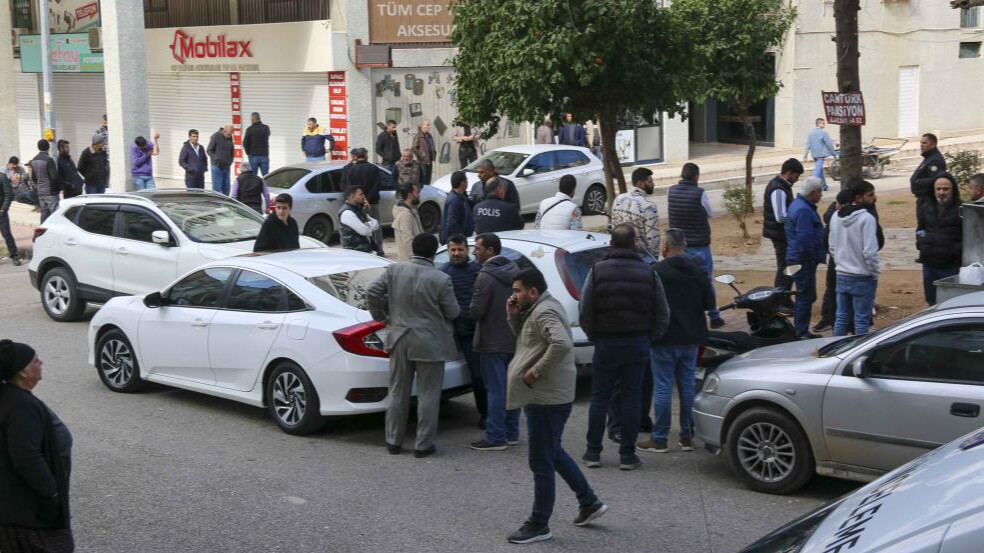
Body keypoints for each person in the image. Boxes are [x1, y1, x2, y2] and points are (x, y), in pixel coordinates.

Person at [505, 268, 607, 544]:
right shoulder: (538, 308)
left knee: (541, 461)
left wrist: (534, 372)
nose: (513, 295)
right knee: (553, 451)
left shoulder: (543, 311)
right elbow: (528, 342)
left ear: (533, 292)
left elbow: (561, 343)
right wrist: (513, 316)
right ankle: (589, 502)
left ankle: (540, 523)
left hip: (546, 398)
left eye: (517, 290)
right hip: (548, 396)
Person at [579, 224, 669, 470]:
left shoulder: (597, 271)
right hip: (637, 342)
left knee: (599, 398)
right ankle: (627, 455)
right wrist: (649, 337)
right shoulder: (648, 273)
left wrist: (594, 335)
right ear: (635, 244)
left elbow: (585, 310)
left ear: (611, 244)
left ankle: (593, 452)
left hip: (606, 342)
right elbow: (663, 314)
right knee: (632, 399)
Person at [368, 233, 459, 458]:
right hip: (430, 342)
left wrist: (382, 317)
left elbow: (372, 291)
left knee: (398, 390)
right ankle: (423, 444)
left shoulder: (395, 270)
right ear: (433, 253)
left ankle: (393, 441)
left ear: (413, 250)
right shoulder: (441, 279)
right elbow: (454, 312)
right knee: (429, 394)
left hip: (399, 337)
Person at [637, 228, 714, 453]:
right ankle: (687, 435)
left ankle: (660, 438)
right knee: (687, 385)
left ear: (665, 247)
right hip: (691, 337)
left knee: (662, 387)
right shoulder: (698, 271)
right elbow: (709, 302)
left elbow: (647, 305)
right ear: (685, 245)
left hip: (663, 337)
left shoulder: (656, 271)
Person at [0, 340, 74, 552]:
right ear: (23, 373)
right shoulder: (21, 407)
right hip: (29, 513)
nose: (40, 362)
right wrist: (52, 492)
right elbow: (26, 458)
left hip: (14, 510)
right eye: (35, 361)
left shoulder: (10, 397)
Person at [468, 233, 520, 451]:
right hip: (513, 339)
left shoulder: (485, 276)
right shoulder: (516, 271)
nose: (474, 252)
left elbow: (477, 310)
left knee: (495, 390)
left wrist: (468, 310)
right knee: (511, 389)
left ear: (490, 250)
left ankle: (495, 436)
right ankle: (511, 432)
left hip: (491, 341)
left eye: (477, 248)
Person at [667, 163, 724, 328]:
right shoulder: (700, 193)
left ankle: (686, 317)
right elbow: (711, 213)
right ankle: (714, 317)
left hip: (679, 246)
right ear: (696, 177)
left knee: (682, 282)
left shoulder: (671, 191)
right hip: (699, 245)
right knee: (706, 280)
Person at [441, 234, 486, 427]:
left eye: (460, 250)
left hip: (478, 330)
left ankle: (491, 413)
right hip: (458, 333)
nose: (457, 253)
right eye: (453, 250)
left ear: (467, 250)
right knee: (474, 375)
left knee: (484, 374)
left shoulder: (478, 270)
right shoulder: (444, 272)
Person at [829, 179, 880, 336]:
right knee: (861, 320)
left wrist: (841, 263)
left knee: (841, 317)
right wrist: (874, 272)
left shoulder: (835, 216)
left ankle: (835, 349)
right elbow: (870, 252)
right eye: (870, 194)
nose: (874, 198)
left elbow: (832, 246)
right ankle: (859, 353)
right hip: (862, 276)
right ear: (858, 198)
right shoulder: (867, 219)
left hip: (842, 273)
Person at [784, 177, 826, 340]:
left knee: (804, 294)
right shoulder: (803, 210)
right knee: (806, 295)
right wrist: (811, 258)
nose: (821, 196)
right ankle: (801, 332)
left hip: (797, 257)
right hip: (802, 259)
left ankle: (801, 330)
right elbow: (805, 239)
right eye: (820, 192)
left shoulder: (798, 205)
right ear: (814, 192)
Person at [916, 174, 962, 305]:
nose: (942, 192)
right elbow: (920, 228)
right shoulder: (926, 206)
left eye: (946, 189)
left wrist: (954, 251)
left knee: (950, 303)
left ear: (953, 190)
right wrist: (921, 243)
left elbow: (967, 236)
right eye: (938, 189)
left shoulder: (962, 209)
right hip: (929, 265)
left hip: (950, 267)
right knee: (931, 301)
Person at [815, 189, 855, 333]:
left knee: (834, 296)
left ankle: (830, 321)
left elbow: (827, 242)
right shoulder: (858, 217)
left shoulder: (833, 216)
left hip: (837, 262)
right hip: (846, 265)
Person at [762, 158, 804, 291]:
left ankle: (783, 297)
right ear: (789, 173)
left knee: (787, 267)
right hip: (780, 235)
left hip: (781, 233)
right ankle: (780, 299)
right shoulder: (778, 189)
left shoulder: (782, 186)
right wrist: (798, 217)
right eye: (796, 176)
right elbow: (780, 217)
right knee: (785, 268)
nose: (797, 179)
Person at [341, 148, 385, 255]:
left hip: (357, 204)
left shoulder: (351, 170)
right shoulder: (373, 168)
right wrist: (367, 199)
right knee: (375, 227)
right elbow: (377, 185)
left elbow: (348, 187)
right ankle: (378, 249)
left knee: (360, 226)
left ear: (356, 157)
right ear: (366, 156)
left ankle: (365, 249)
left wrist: (361, 199)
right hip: (372, 202)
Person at [611, 168, 659, 254]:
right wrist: (653, 259)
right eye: (650, 182)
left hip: (619, 252)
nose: (653, 184)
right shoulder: (648, 206)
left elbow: (614, 227)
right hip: (640, 256)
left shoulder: (618, 199)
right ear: (640, 183)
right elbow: (653, 239)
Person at [338, 187, 379, 253]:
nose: (364, 196)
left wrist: (367, 212)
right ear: (352, 196)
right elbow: (365, 231)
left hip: (364, 249)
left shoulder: (358, 209)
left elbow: (376, 224)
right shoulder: (347, 213)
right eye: (360, 194)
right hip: (354, 252)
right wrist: (369, 225)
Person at [29, 140, 60, 223]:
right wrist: (58, 189)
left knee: (44, 214)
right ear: (48, 147)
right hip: (50, 192)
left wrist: (38, 187)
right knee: (55, 214)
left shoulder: (34, 160)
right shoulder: (49, 160)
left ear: (38, 147)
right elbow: (54, 177)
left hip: (41, 192)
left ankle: (42, 232)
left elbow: (33, 178)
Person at [440, 170, 474, 244]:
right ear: (462, 183)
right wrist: (461, 239)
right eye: (466, 180)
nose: (467, 182)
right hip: (455, 242)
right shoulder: (454, 200)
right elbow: (452, 223)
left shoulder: (460, 196)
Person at [392, 183, 423, 262]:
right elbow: (408, 241)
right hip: (411, 262)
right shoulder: (405, 215)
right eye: (417, 192)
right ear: (410, 195)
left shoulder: (412, 211)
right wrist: (416, 260)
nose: (419, 195)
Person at [910, 133, 946, 199]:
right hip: (923, 199)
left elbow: (935, 180)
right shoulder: (929, 158)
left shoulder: (935, 160)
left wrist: (917, 182)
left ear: (933, 145)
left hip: (929, 200)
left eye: (924, 143)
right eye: (921, 143)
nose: (921, 145)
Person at [803, 118, 836, 191]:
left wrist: (805, 155)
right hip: (821, 154)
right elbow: (829, 144)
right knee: (817, 171)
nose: (824, 124)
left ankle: (824, 186)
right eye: (823, 123)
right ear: (819, 124)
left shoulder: (810, 133)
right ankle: (811, 185)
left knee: (820, 170)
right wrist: (834, 154)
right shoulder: (823, 133)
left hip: (814, 154)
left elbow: (807, 145)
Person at [207, 125, 235, 195]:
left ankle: (226, 204)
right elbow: (209, 150)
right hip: (217, 167)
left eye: (231, 134)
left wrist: (230, 160)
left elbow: (232, 150)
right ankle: (217, 205)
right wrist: (216, 159)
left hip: (226, 167)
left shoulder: (229, 137)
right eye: (228, 134)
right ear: (223, 131)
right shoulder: (215, 136)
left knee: (227, 188)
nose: (230, 136)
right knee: (217, 189)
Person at [0, 172, 21, 266]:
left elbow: (8, 194)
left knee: (7, 234)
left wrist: (3, 209)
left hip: (1, 212)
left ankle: (14, 255)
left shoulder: (2, 177)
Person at [242, 112, 271, 176]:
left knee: (253, 177)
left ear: (252, 119)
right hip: (264, 155)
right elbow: (268, 135)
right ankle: (265, 186)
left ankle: (255, 186)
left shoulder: (250, 129)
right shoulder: (266, 128)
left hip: (253, 155)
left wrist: (248, 153)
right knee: (266, 176)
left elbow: (245, 143)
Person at [374, 120, 401, 184]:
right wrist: (386, 157)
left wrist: (399, 155)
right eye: (393, 127)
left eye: (395, 127)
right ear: (388, 126)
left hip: (395, 162)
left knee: (395, 179)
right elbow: (377, 149)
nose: (395, 129)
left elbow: (397, 145)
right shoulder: (382, 136)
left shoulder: (394, 134)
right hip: (387, 163)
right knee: (388, 180)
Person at [412, 120, 436, 185]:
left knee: (428, 179)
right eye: (427, 125)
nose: (429, 126)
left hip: (429, 161)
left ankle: (427, 193)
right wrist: (421, 156)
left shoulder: (429, 135)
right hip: (423, 162)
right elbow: (414, 148)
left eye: (429, 125)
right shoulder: (418, 136)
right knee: (423, 180)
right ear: (423, 126)